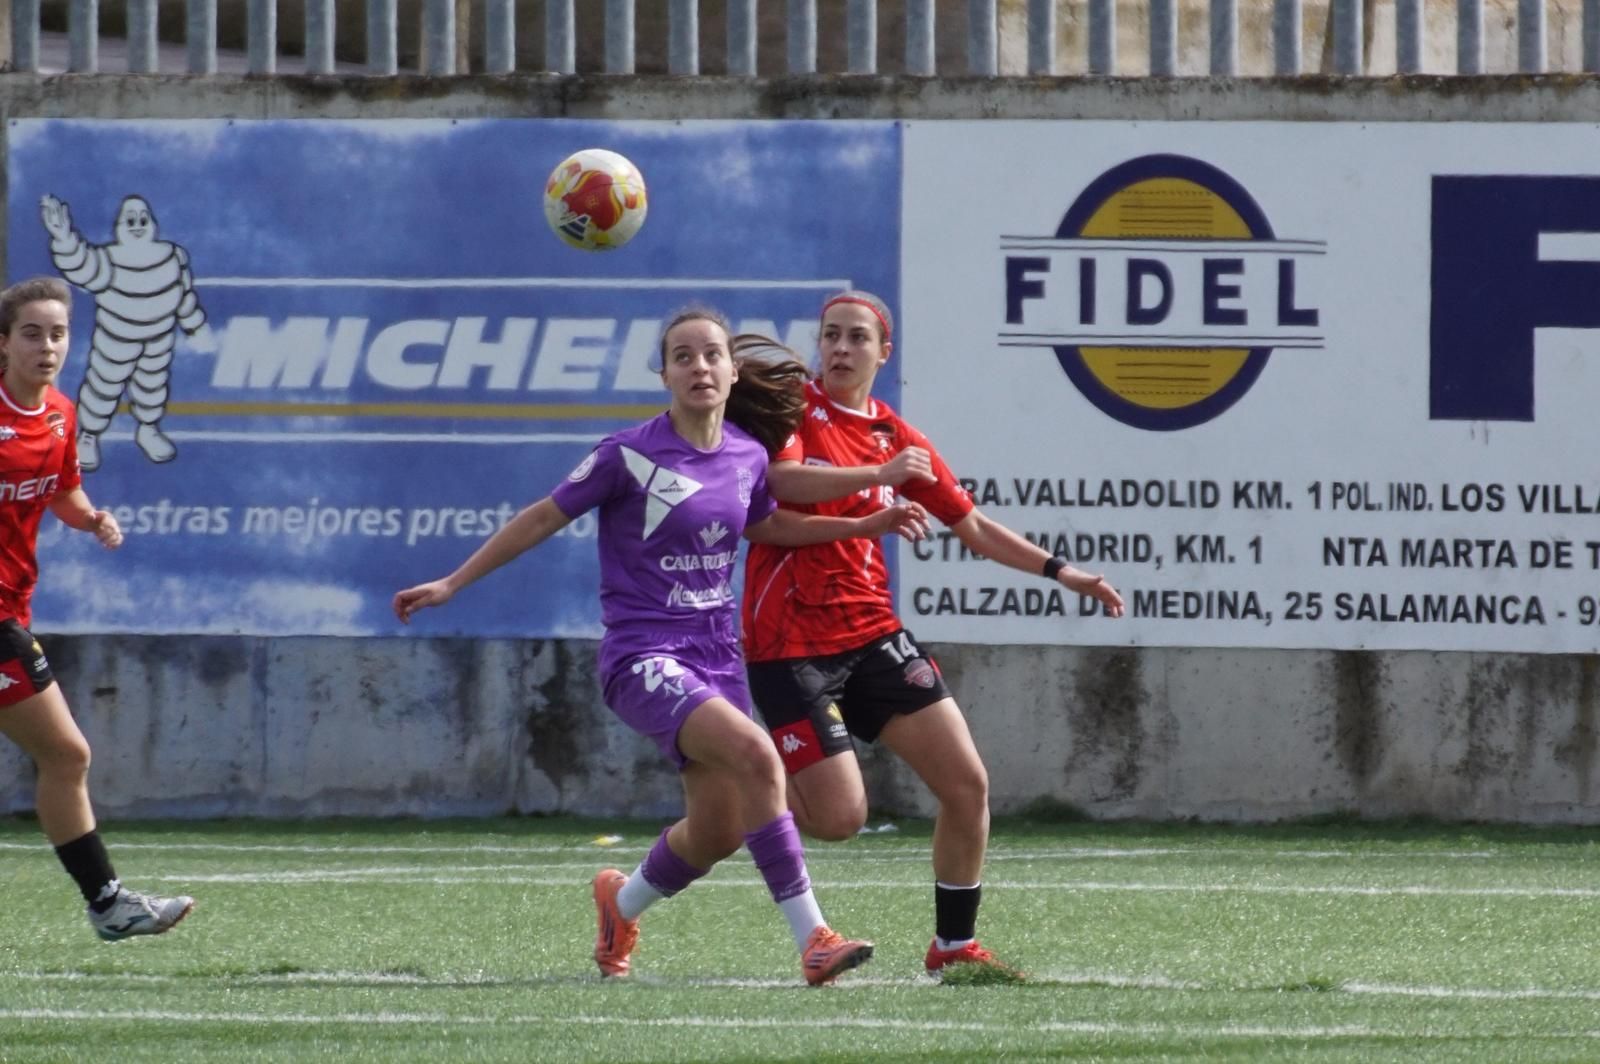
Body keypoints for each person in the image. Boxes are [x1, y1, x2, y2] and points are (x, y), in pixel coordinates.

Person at [393, 307, 929, 986]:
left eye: (711, 355)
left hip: (716, 658)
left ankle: (620, 904)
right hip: (643, 656)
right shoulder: (628, 454)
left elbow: (768, 527)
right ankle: (813, 939)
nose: (699, 367)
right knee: (758, 756)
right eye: (683, 356)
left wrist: (870, 520)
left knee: (715, 831)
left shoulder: (746, 455)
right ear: (665, 374)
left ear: (733, 371)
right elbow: (540, 517)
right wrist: (452, 581)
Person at [741, 289, 1126, 980]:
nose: (840, 348)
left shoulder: (899, 438)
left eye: (858, 337)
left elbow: (971, 526)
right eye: (831, 335)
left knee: (967, 784)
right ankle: (733, 802)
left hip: (874, 635)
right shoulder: (798, 410)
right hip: (790, 643)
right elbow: (781, 483)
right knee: (836, 820)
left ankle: (952, 945)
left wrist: (1061, 571)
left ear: (883, 353)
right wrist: (878, 479)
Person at [0, 276, 195, 941]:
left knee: (65, 757)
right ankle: (109, 903)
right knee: (67, 752)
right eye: (31, 333)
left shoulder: (59, 413)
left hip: (13, 607)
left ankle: (109, 905)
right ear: (4, 343)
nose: (47, 346)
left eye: (58, 334)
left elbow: (63, 490)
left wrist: (93, 521)